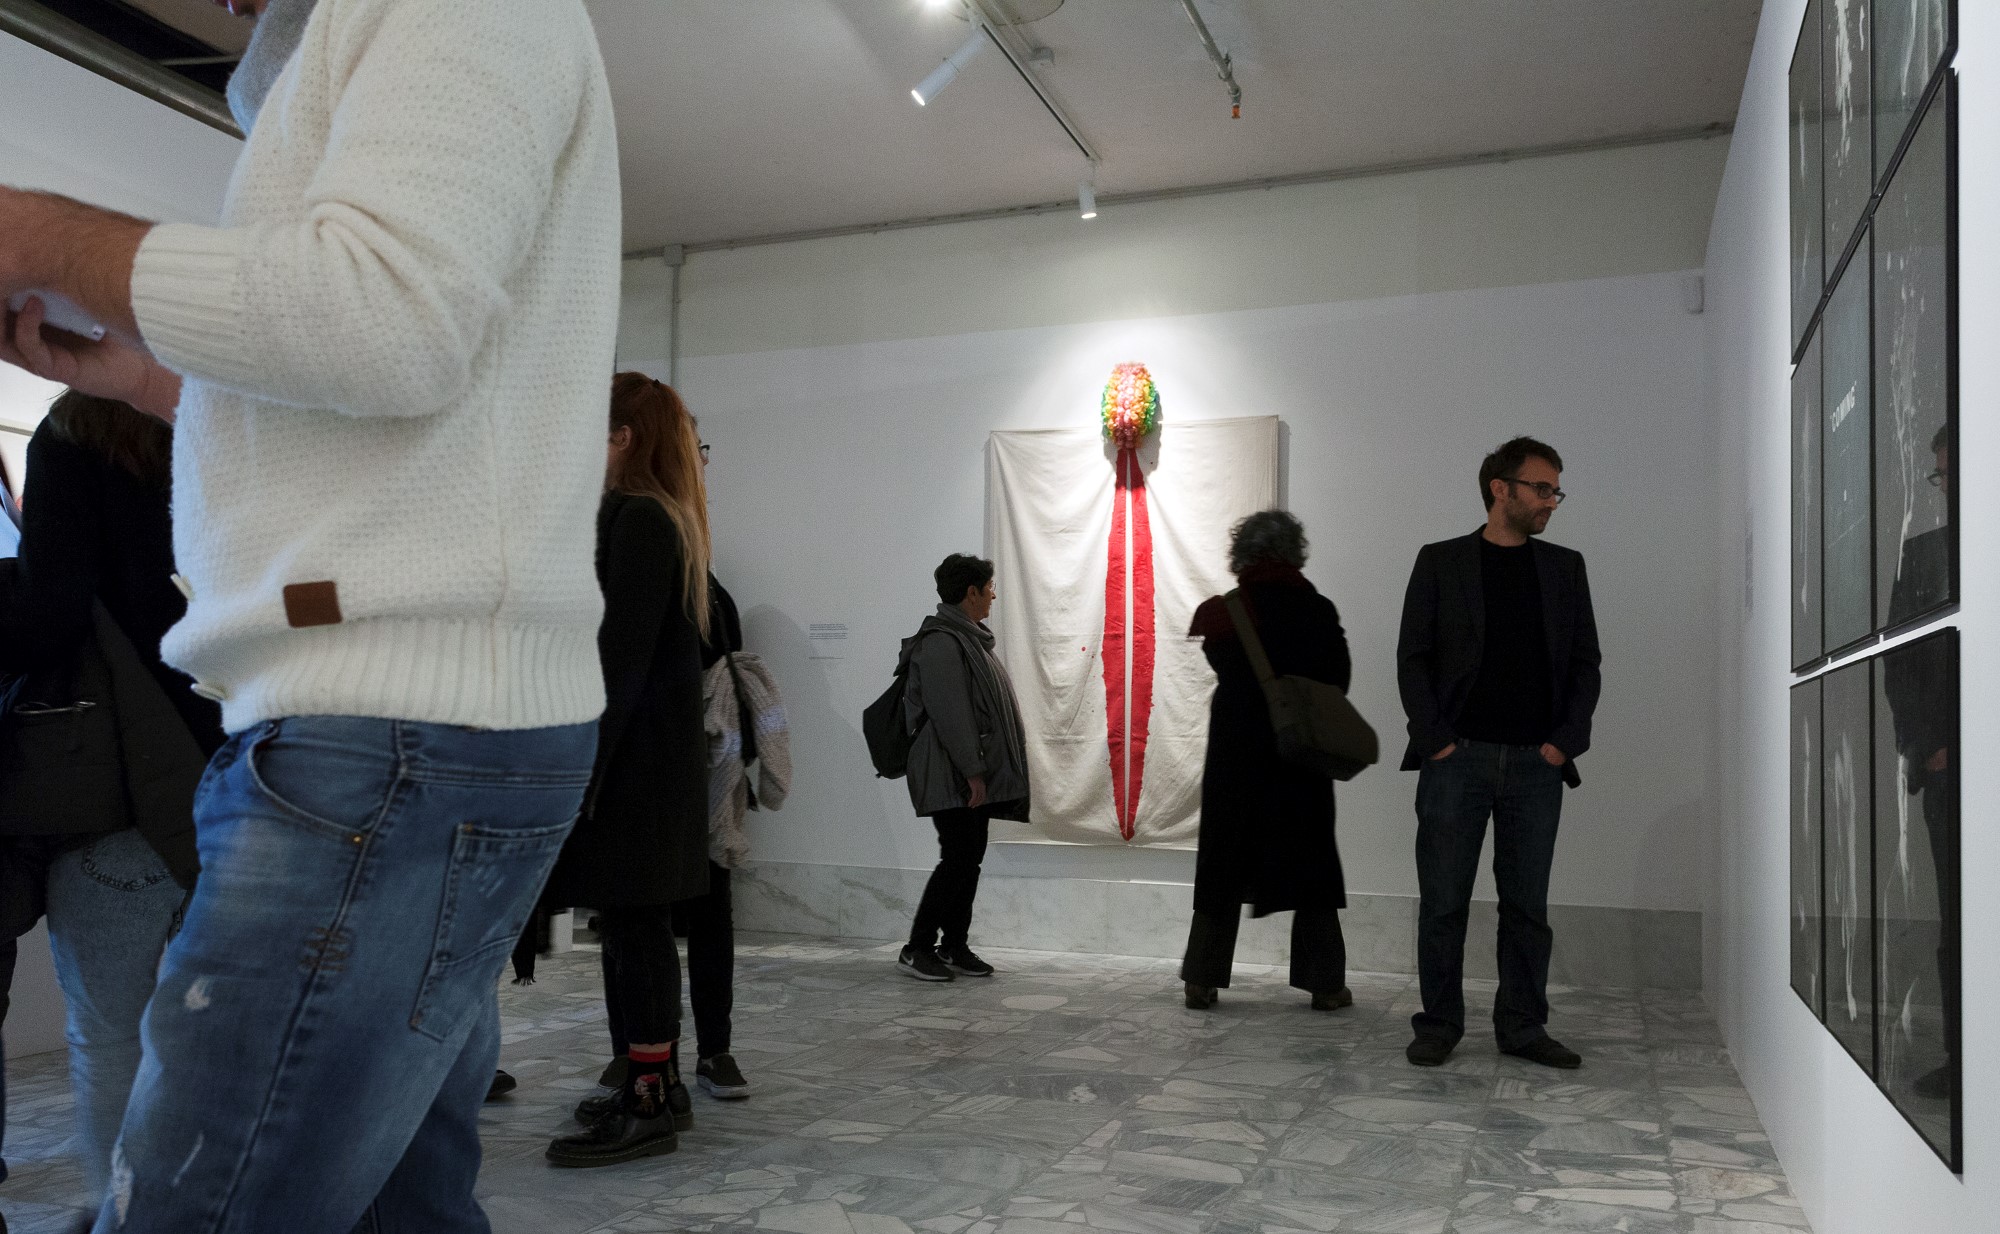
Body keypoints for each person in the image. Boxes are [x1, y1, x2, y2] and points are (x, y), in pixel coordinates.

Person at [0, 0, 621, 1225]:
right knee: (398, 1206)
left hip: (385, 739)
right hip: (393, 733)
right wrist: (154, 379)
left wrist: (34, 232)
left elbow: (385, 317)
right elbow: (397, 390)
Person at [0, 395, 220, 1209]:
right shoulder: (237, 407)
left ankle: (124, 1217)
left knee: (108, 1034)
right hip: (257, 778)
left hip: (123, 780)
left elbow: (48, 615)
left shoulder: (79, 429)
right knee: (238, 1030)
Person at [543, 374, 714, 1168]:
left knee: (636, 932)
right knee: (634, 930)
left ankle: (646, 1099)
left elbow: (618, 663)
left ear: (622, 437)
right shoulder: (659, 515)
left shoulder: (641, 517)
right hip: (647, 767)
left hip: (634, 772)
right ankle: (659, 1081)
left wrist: (583, 769)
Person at [1395, 436, 1601, 1070]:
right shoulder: (1441, 561)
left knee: (1527, 908)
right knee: (1444, 902)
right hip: (1457, 761)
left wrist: (1564, 742)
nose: (1551, 501)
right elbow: (1413, 658)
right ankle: (1439, 1024)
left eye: (1556, 491)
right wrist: (1437, 742)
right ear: (1500, 489)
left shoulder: (1564, 568)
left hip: (1537, 765)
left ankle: (1522, 1026)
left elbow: (1585, 663)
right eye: (1541, 488)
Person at [1180, 510, 1353, 1011]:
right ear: (1294, 551)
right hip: (1299, 752)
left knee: (1223, 862)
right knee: (1312, 863)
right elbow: (1338, 679)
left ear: (1243, 554)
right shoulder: (1316, 609)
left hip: (1236, 751)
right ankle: (1325, 984)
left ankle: (1201, 979)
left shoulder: (1224, 613)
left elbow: (1223, 665)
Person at [896, 554, 1029, 982]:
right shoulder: (941, 642)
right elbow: (952, 715)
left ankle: (953, 944)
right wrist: (973, 772)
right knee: (957, 858)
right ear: (971, 592)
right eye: (989, 587)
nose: (993, 595)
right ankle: (917, 948)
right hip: (950, 773)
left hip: (964, 773)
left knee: (968, 859)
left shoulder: (968, 639)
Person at [1884, 425, 1955, 1101]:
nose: (1946, 486)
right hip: (1947, 771)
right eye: (1940, 475)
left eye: (1951, 472)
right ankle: (1965, 1061)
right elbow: (1900, 662)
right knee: (1957, 919)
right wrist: (1926, 744)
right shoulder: (1924, 554)